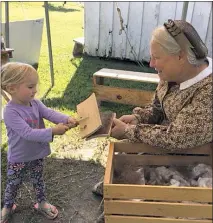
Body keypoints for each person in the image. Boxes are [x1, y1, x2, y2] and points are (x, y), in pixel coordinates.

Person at [93, 19, 212, 223]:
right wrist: (139, 117)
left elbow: (178, 137)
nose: (151, 64)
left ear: (181, 56)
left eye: (156, 57)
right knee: (132, 162)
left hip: (198, 152)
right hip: (174, 145)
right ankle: (123, 199)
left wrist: (130, 131)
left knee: (171, 197)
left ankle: (130, 208)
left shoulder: (208, 91)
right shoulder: (173, 74)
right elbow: (157, 108)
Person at [1, 62, 78, 222]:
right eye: (30, 87)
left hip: (36, 154)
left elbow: (49, 113)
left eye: (34, 86)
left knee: (38, 180)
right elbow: (27, 133)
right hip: (19, 157)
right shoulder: (10, 111)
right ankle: (8, 206)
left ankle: (41, 203)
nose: (34, 90)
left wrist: (66, 118)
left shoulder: (35, 103)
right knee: (14, 183)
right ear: (11, 88)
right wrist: (53, 131)